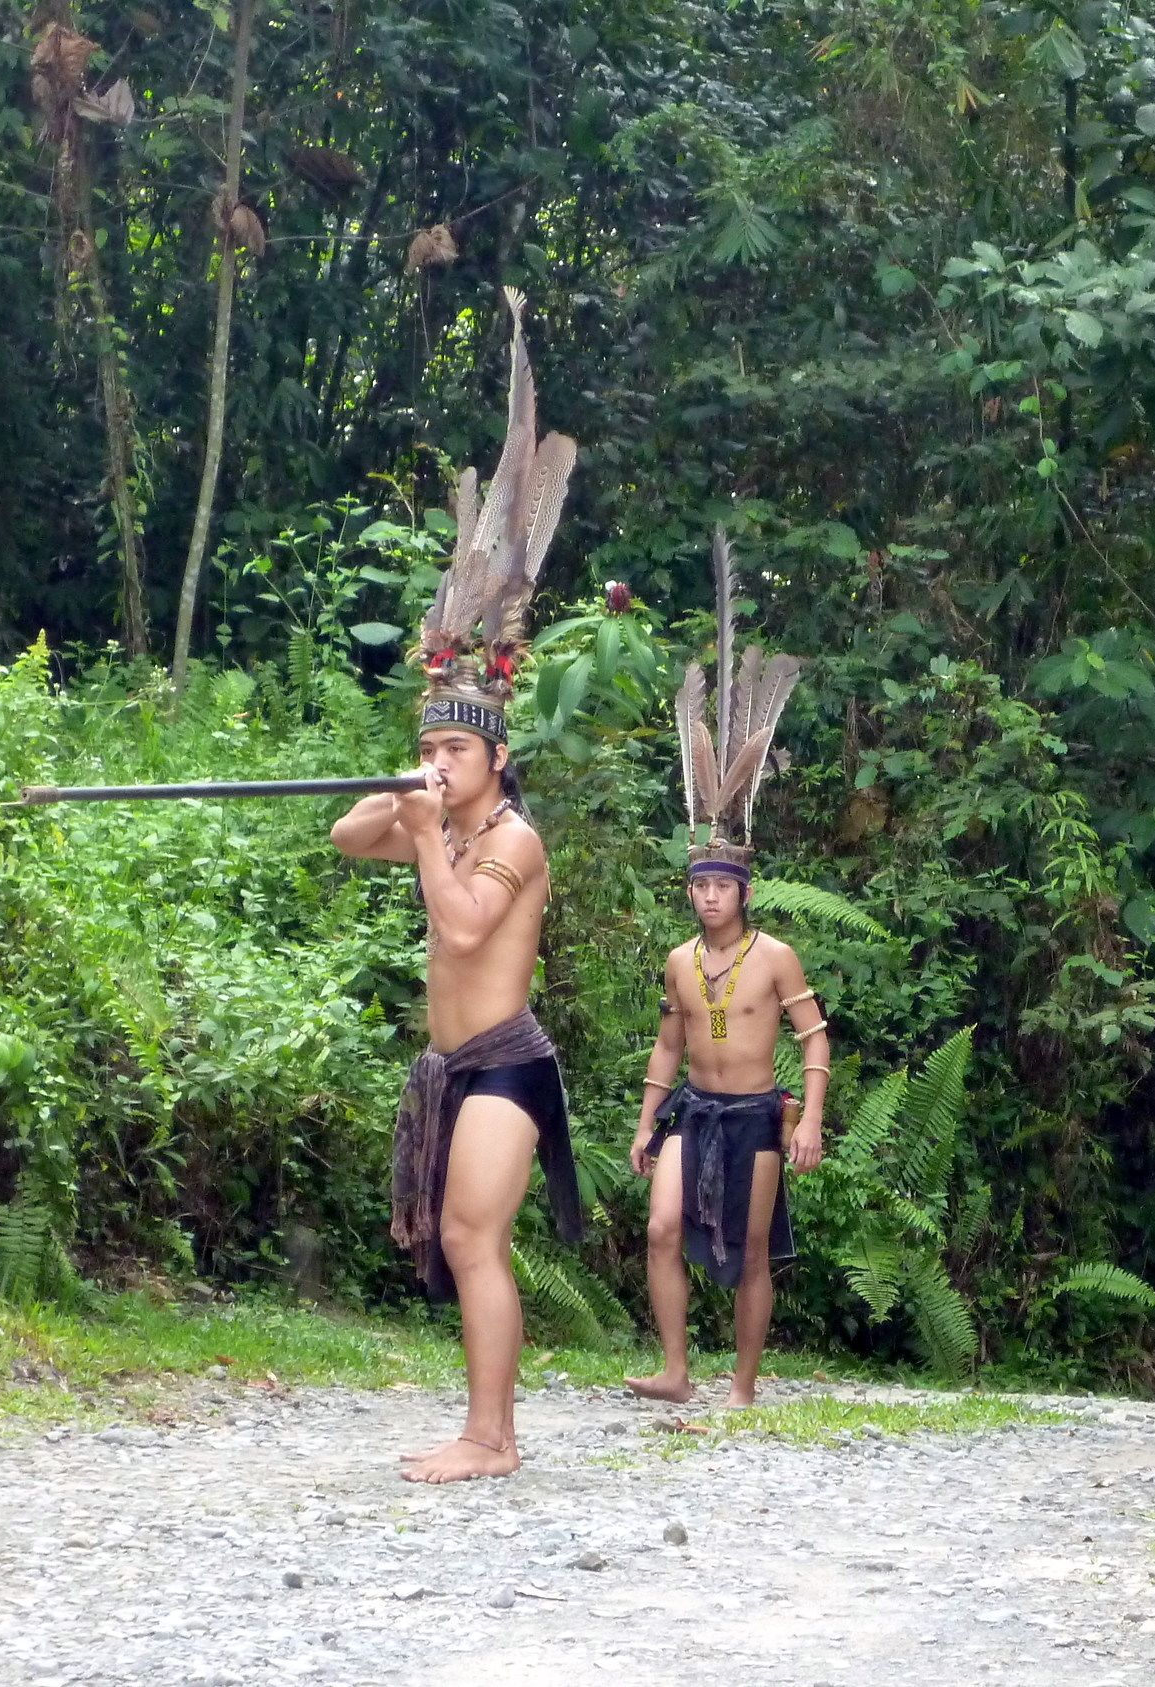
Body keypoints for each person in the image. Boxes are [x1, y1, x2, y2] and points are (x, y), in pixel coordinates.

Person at [330, 287, 581, 1484]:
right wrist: (402, 797)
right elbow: (345, 835)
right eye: (429, 747)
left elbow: (466, 914)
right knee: (461, 1238)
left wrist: (433, 832)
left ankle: (493, 1438)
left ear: (496, 761)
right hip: (449, 1065)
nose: (438, 765)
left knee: (477, 1234)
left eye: (454, 752)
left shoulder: (513, 838)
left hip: (509, 1064)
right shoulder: (435, 808)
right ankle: (484, 1426)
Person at [624, 531, 827, 1408]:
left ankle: (742, 1385)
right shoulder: (678, 961)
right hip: (693, 1113)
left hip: (755, 1115)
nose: (707, 898)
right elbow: (669, 1046)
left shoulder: (774, 955)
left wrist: (809, 1118)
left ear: (741, 889)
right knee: (661, 1224)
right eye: (698, 884)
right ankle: (676, 1368)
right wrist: (645, 1120)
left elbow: (815, 1038)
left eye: (720, 885)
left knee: (746, 1251)